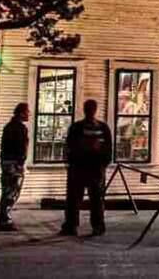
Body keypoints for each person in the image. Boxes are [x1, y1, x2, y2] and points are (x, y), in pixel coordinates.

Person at [60, 99, 112, 236]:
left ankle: (72, 226)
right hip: (90, 168)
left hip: (82, 167)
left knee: (76, 198)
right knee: (95, 198)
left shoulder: (77, 127)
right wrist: (103, 164)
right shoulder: (102, 128)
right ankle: (96, 226)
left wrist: (70, 164)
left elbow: (70, 147)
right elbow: (108, 150)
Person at [0, 103, 30, 231]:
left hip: (7, 162)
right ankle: (5, 220)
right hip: (14, 164)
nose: (29, 114)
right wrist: (20, 162)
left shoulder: (8, 127)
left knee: (7, 190)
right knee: (12, 191)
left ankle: (3, 217)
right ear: (21, 113)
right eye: (27, 112)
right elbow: (21, 148)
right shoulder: (20, 128)